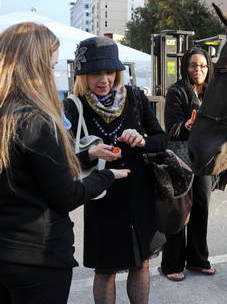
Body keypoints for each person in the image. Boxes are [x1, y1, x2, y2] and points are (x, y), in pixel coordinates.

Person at [0, 23, 130, 304]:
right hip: (38, 257)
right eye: (51, 66)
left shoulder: (7, 115)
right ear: (33, 67)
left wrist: (88, 155)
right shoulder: (36, 120)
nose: (53, 74)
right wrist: (107, 177)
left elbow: (32, 172)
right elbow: (66, 195)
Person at [63, 36, 167, 304]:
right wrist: (90, 153)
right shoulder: (74, 106)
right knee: (106, 270)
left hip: (139, 193)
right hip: (102, 197)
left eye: (109, 72)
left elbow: (161, 138)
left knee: (141, 263)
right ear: (82, 75)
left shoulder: (135, 97)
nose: (104, 79)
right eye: (96, 73)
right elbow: (65, 158)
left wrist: (142, 140)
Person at [159, 48, 217, 281]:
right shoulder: (176, 92)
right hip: (181, 159)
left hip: (204, 159)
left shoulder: (214, 92)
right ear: (185, 67)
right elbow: (170, 127)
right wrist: (186, 126)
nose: (198, 70)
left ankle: (197, 261)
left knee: (201, 209)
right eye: (193, 65)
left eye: (203, 66)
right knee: (178, 212)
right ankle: (171, 265)